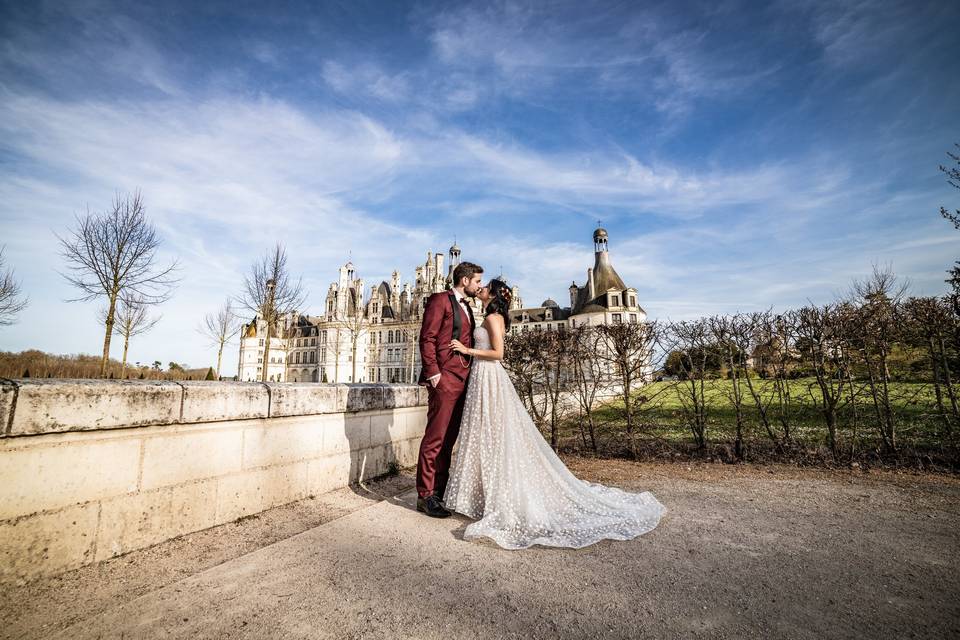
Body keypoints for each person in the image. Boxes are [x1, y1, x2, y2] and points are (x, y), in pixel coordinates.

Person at [443, 278, 666, 549]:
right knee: (487, 433)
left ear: (494, 296)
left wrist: (466, 349)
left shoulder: (493, 318)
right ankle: (482, 493)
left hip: (488, 375)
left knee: (491, 432)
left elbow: (498, 353)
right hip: (483, 377)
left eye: (485, 287)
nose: (482, 289)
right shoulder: (492, 315)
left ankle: (488, 495)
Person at [415, 261, 484, 518]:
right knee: (435, 438)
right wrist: (434, 374)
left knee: (448, 440)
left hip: (463, 379)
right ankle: (425, 495)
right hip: (445, 378)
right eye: (477, 281)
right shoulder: (440, 300)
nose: (479, 286)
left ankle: (439, 492)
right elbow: (428, 337)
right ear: (464, 280)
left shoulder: (467, 307)